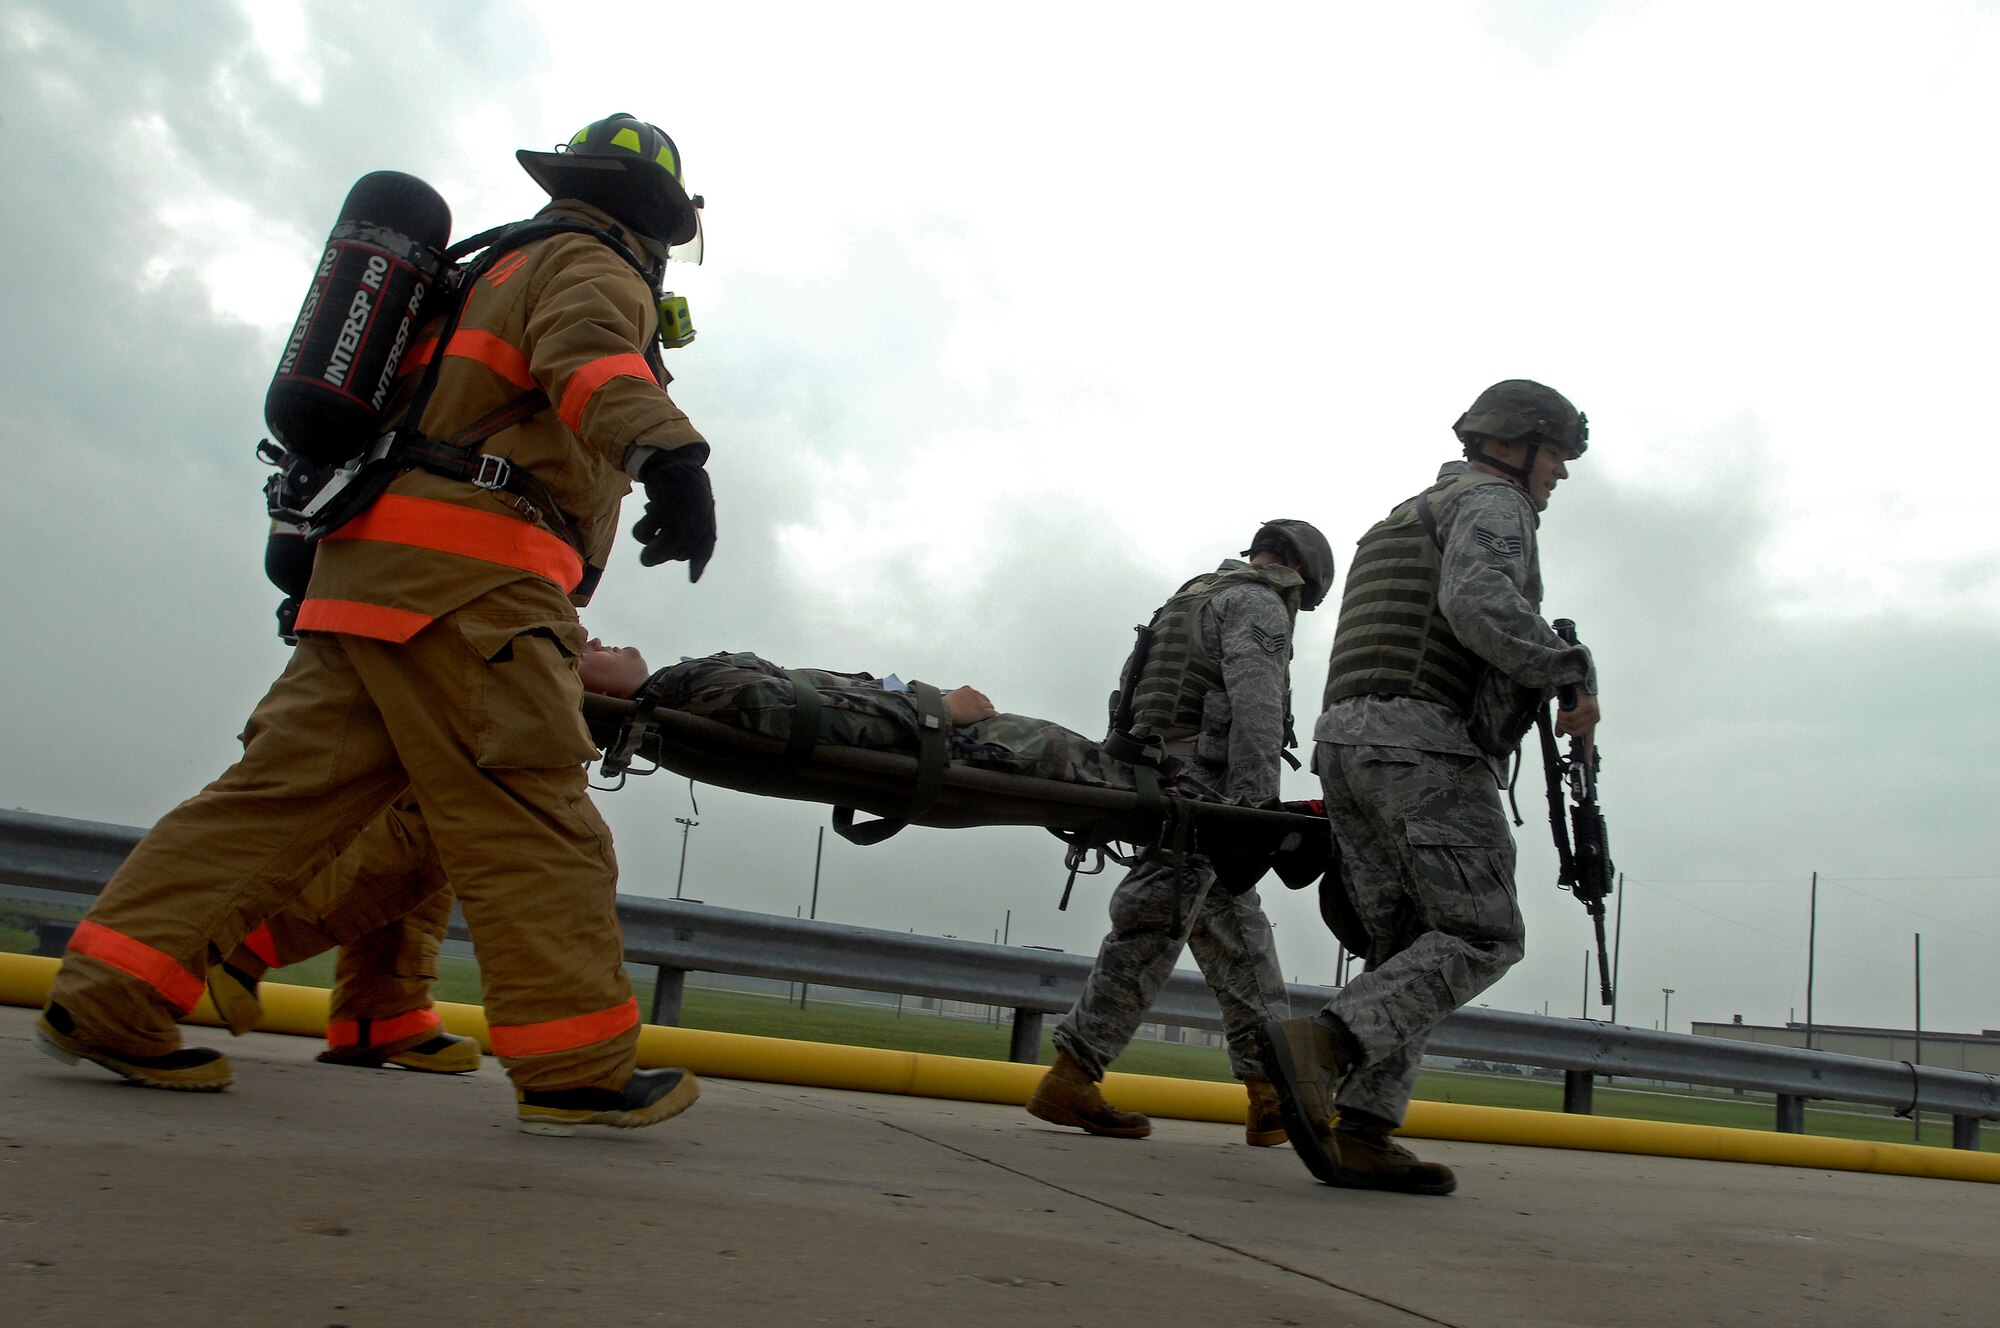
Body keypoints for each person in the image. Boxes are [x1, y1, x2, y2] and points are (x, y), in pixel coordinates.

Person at [37, 113, 718, 1138]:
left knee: (268, 803)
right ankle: (574, 1062)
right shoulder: (590, 263)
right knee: (534, 817)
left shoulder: (479, 269)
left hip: (365, 571)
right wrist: (672, 457)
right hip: (472, 585)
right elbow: (589, 363)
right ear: (654, 218)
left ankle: (108, 990)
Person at [1260, 379, 1600, 1195]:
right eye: (1555, 454)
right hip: (1422, 747)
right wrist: (1568, 673)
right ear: (1516, 444)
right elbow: (1478, 601)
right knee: (1484, 934)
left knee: (1408, 947)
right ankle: (1328, 1043)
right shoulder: (1495, 504)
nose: (1559, 473)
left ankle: (1365, 1130)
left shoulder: (1406, 515)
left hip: (1349, 747)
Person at [1026, 521, 1335, 1146]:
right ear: (1301, 576)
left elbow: (1131, 697)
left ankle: (1271, 1095)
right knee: (1153, 926)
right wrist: (1254, 816)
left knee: (1239, 937)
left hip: (1161, 782)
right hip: (1206, 797)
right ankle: (1073, 1074)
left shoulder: (1188, 596)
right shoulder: (1259, 602)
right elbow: (1257, 712)